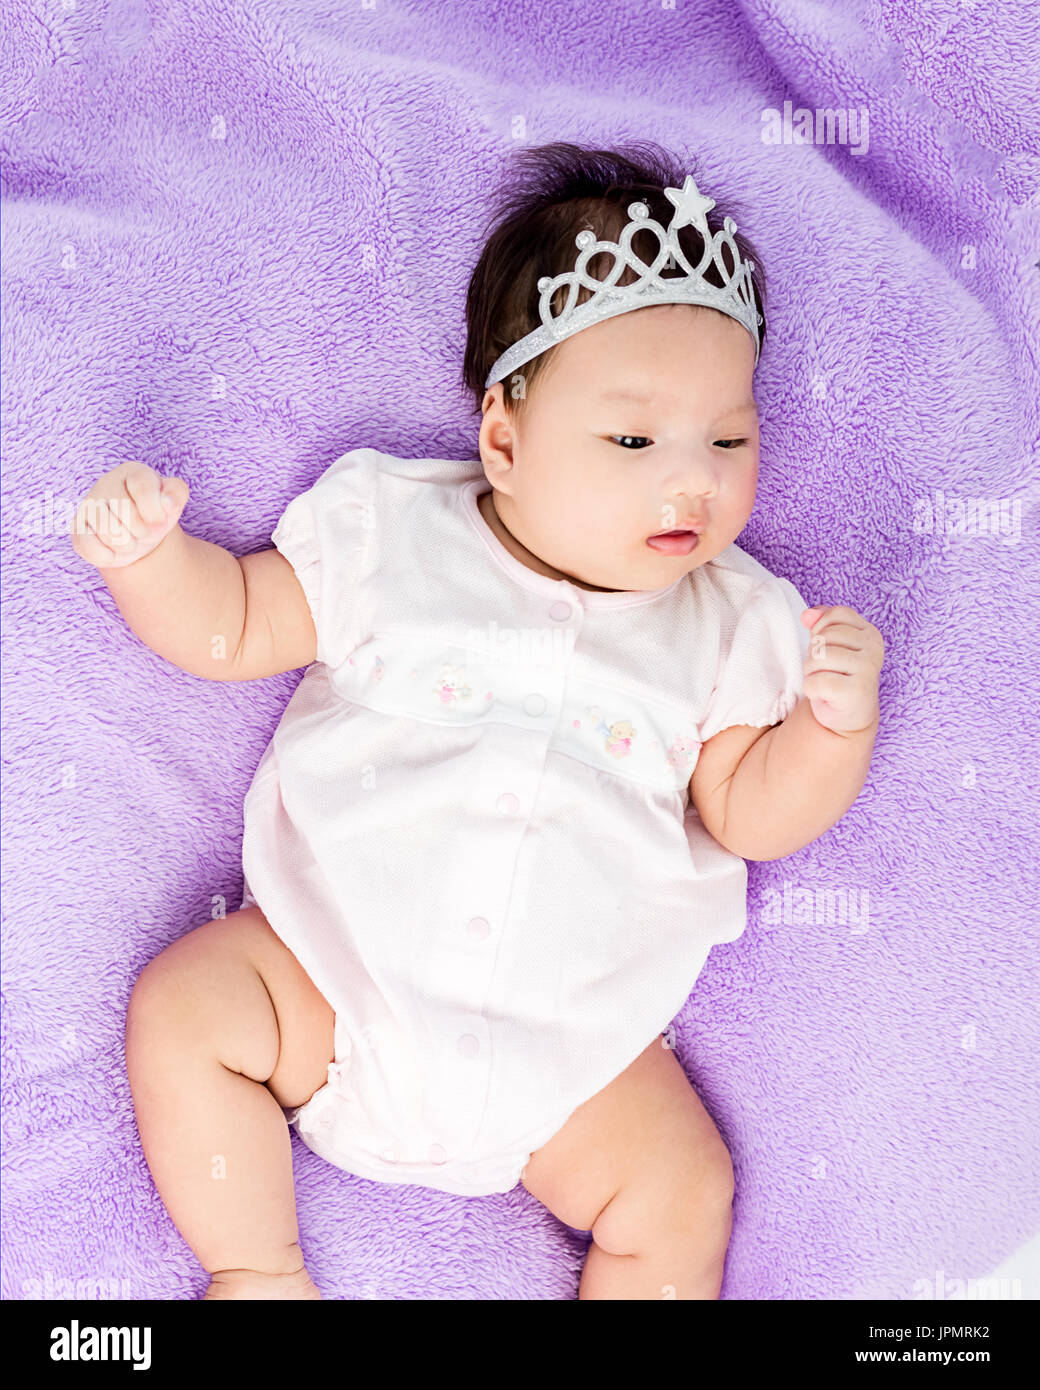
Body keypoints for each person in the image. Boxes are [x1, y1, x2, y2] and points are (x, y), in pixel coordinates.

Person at [70, 140, 884, 1300]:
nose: (690, 481)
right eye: (633, 438)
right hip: (331, 986)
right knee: (186, 1008)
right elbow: (237, 625)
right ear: (503, 439)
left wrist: (828, 730)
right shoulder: (392, 536)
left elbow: (749, 813)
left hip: (571, 1064)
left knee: (682, 1188)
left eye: (729, 440)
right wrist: (152, 562)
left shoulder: (731, 622)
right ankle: (255, 1268)